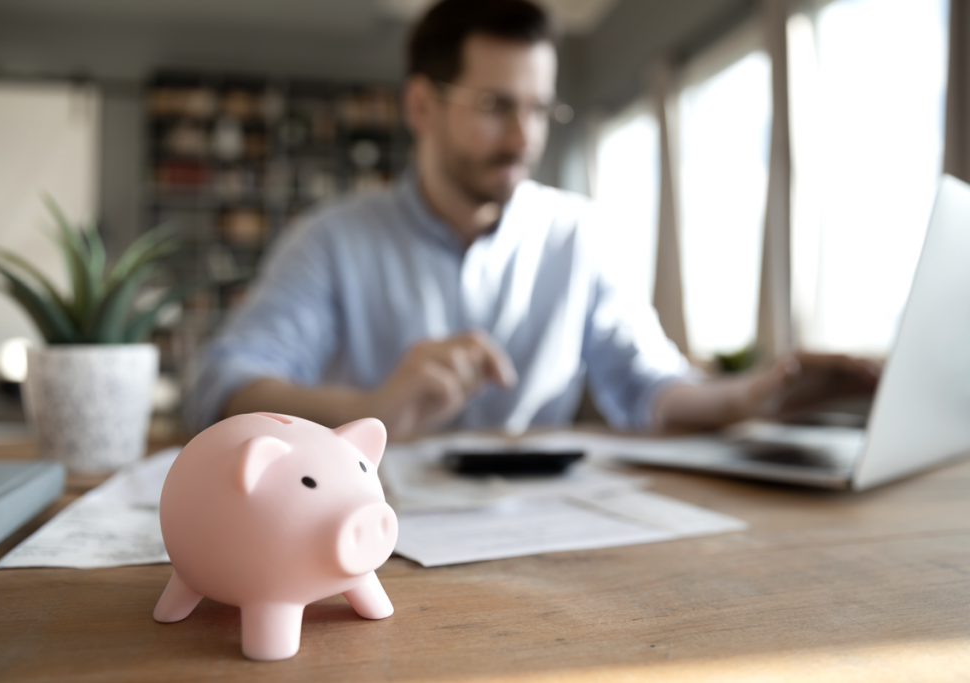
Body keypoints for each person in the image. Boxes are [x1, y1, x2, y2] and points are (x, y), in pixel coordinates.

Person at [184, 0, 878, 439]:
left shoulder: (579, 235)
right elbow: (225, 388)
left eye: (540, 108)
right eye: (495, 106)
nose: (524, 137)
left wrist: (754, 393)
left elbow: (649, 388)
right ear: (422, 105)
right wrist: (376, 406)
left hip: (543, 550)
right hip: (367, 538)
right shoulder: (330, 241)